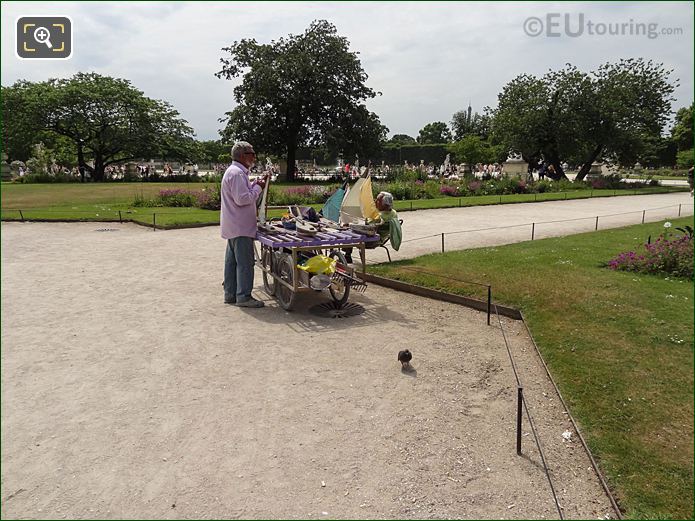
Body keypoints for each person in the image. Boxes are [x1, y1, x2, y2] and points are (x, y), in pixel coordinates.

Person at [221, 141, 267, 308]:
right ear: (242, 156)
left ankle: (231, 294)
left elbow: (241, 194)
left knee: (232, 263)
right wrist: (259, 188)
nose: (254, 156)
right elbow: (243, 199)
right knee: (245, 263)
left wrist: (254, 184)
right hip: (241, 227)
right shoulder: (238, 174)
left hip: (234, 225)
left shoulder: (235, 172)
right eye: (251, 153)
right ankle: (244, 297)